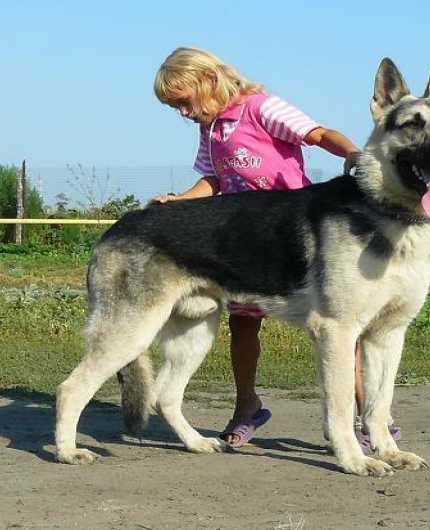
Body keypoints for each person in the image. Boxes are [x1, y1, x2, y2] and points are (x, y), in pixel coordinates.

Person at [152, 46, 398, 449]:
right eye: (174, 108)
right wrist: (179, 200)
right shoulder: (211, 130)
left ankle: (370, 418)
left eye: (183, 102)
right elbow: (212, 180)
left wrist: (353, 153)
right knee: (242, 324)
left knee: (342, 324)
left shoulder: (261, 108)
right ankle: (248, 405)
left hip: (291, 231)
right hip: (245, 238)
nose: (183, 113)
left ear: (207, 82)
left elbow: (316, 134)